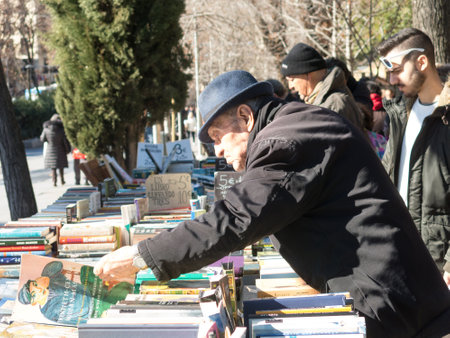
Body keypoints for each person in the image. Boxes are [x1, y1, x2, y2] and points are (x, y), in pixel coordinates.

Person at [94, 70, 450, 337]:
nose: (217, 151)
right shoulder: (296, 124)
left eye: (218, 137)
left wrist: (142, 256)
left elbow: (236, 218)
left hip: (393, 309)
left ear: (247, 118)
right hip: (395, 300)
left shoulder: (286, 140)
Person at [378, 28, 450, 282]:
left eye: (396, 69)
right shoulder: (400, 114)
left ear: (421, 62)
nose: (392, 79)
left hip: (439, 269)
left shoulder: (446, 118)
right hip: (400, 259)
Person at [18, 261, 133, 326]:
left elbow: (57, 265)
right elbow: (74, 322)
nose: (38, 290)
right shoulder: (48, 312)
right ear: (33, 303)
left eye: (36, 285)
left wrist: (44, 277)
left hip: (91, 291)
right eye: (34, 294)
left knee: (86, 270)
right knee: (123, 292)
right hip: (95, 310)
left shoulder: (51, 281)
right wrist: (97, 319)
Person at [281, 43, 363, 130]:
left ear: (308, 75)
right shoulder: (321, 100)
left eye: (292, 80)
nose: (290, 86)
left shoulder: (334, 104)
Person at [40, 114, 71, 187]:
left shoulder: (46, 129)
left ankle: (54, 182)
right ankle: (62, 180)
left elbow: (42, 139)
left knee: (53, 168)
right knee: (61, 167)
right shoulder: (61, 130)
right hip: (60, 150)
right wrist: (68, 149)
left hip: (50, 150)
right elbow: (65, 141)